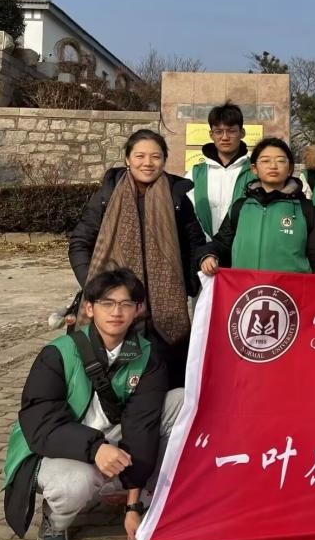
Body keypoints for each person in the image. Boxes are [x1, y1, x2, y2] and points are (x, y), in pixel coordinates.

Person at [2, 268, 184, 540]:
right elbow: (41, 422)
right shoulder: (57, 353)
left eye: (126, 304)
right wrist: (95, 448)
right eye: (107, 304)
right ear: (89, 308)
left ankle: (145, 492)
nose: (116, 312)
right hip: (51, 449)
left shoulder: (146, 356)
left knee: (180, 402)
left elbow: (141, 426)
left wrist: (132, 505)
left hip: (109, 436)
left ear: (138, 310)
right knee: (77, 482)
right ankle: (55, 519)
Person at [69, 129, 211, 388]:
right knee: (118, 382)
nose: (148, 163)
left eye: (156, 156)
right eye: (140, 156)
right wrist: (94, 287)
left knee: (167, 384)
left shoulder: (178, 198)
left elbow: (195, 244)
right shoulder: (107, 196)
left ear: (164, 160)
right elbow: (80, 243)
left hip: (166, 315)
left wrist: (187, 283)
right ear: (127, 159)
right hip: (119, 308)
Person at [198, 138, 315, 273]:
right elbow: (222, 243)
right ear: (254, 168)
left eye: (280, 160)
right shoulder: (240, 207)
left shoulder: (306, 210)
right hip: (247, 291)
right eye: (265, 160)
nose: (273, 166)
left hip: (290, 292)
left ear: (290, 168)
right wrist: (210, 254)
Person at [186, 101, 256, 237]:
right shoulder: (195, 174)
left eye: (231, 131)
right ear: (211, 135)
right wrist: (206, 248)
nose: (225, 137)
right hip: (205, 251)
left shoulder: (255, 172)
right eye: (218, 131)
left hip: (243, 250)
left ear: (242, 133)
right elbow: (188, 215)